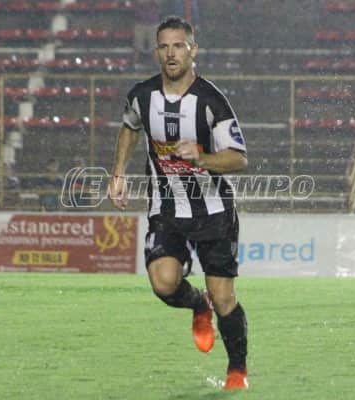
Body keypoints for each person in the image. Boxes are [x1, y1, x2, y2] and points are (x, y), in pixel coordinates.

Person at [107, 16, 249, 390]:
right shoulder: (142, 96)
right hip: (167, 208)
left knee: (225, 298)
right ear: (157, 51)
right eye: (164, 46)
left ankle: (237, 371)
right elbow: (129, 128)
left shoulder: (211, 100)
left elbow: (238, 158)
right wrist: (118, 172)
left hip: (214, 212)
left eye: (179, 46)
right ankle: (197, 304)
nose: (171, 54)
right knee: (164, 283)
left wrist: (202, 157)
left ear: (192, 50)